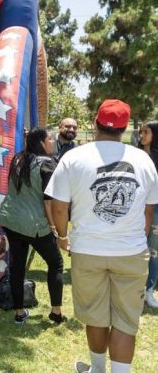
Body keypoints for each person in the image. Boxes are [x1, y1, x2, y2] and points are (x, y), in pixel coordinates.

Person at [46, 99, 158, 373]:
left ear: (95, 123)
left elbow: (59, 206)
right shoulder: (143, 159)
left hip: (87, 249)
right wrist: (137, 239)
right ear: (124, 128)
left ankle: (97, 369)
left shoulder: (73, 158)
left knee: (95, 315)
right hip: (130, 251)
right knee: (125, 320)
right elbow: (148, 211)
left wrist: (62, 236)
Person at [0, 127, 66, 324]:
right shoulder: (47, 164)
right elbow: (48, 202)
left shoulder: (18, 158)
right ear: (42, 143)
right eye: (51, 139)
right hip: (33, 224)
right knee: (56, 263)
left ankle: (19, 313)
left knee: (17, 266)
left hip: (10, 219)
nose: (53, 142)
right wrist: (54, 228)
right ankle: (56, 312)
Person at [138, 120, 158, 308]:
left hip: (155, 209)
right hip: (135, 209)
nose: (141, 135)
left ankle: (149, 290)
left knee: (153, 251)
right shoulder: (134, 156)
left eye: (146, 132)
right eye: (140, 132)